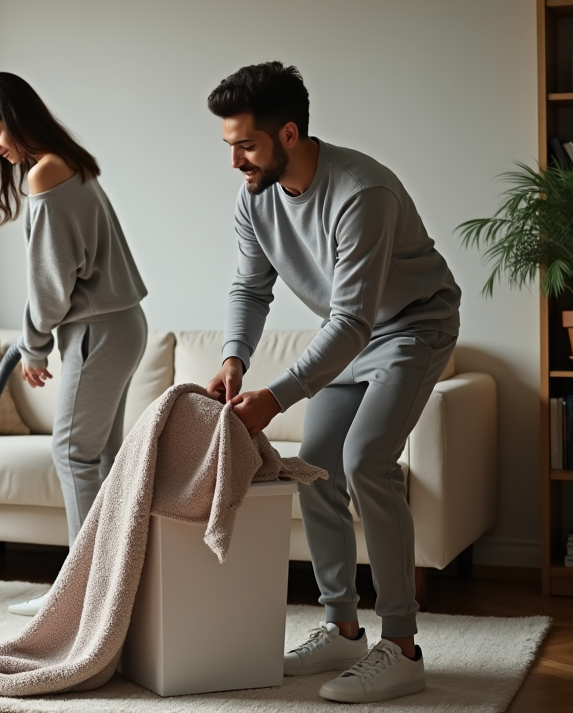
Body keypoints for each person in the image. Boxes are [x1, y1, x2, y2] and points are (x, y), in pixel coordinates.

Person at [205, 62, 460, 704]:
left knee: (366, 460)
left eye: (246, 145)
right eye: (229, 145)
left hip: (413, 325)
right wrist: (235, 358)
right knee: (316, 464)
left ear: (288, 134)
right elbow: (250, 288)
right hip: (352, 335)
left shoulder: (361, 193)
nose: (235, 161)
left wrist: (276, 397)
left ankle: (402, 646)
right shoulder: (255, 198)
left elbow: (352, 319)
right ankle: (342, 628)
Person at [0, 72, 149, 618]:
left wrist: (33, 346)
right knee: (102, 457)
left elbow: (50, 282)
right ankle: (114, 586)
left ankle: (81, 594)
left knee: (71, 452)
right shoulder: (69, 163)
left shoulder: (45, 172)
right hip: (121, 325)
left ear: (19, 121)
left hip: (97, 329)